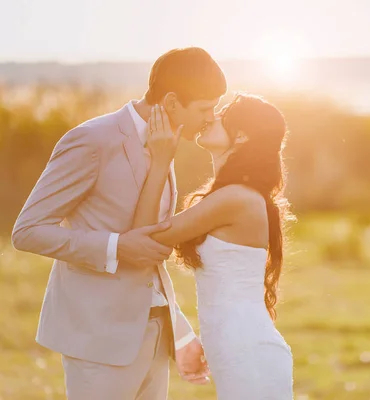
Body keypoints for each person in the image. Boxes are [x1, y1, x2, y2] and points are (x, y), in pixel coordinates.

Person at [11, 47, 225, 399]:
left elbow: (148, 251)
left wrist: (180, 331)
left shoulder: (163, 145)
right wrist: (115, 247)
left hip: (154, 334)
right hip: (99, 339)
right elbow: (27, 231)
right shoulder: (92, 140)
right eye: (205, 108)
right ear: (171, 102)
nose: (210, 117)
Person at [132, 94, 294, 399]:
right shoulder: (230, 195)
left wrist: (161, 161)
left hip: (250, 353)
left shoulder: (235, 198)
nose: (210, 117)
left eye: (221, 114)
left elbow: (144, 236)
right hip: (240, 349)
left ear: (242, 134)